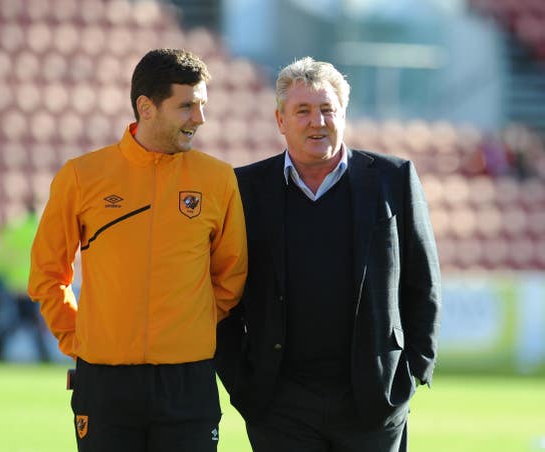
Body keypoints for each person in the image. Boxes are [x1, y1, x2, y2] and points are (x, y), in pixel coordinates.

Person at [216, 57, 441, 452]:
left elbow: (422, 279)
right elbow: (222, 288)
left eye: (326, 110)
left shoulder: (393, 178)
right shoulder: (243, 187)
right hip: (279, 402)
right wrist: (240, 380)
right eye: (302, 111)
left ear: (343, 114)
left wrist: (416, 366)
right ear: (280, 120)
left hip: (373, 398)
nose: (316, 122)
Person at [28, 48, 247, 452]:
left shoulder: (219, 180)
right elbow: (47, 273)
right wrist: (79, 338)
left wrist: (187, 327)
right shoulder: (81, 176)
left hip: (189, 381)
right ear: (146, 107)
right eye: (186, 106)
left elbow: (230, 277)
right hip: (104, 381)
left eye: (202, 106)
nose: (200, 119)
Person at [0, 203, 50, 361]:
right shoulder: (41, 229)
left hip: (13, 286)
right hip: (34, 285)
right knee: (32, 323)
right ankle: (43, 355)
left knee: (15, 322)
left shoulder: (12, 230)